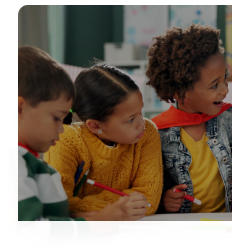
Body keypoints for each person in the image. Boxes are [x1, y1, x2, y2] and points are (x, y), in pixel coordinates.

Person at [145, 23, 232, 213]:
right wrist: (163, 201)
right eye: (214, 85)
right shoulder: (157, 133)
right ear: (180, 92)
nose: (225, 89)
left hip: (229, 223)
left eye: (225, 78)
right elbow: (149, 189)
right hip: (183, 228)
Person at [18, 45, 144, 221]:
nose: (61, 128)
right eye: (56, 118)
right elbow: (30, 234)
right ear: (19, 108)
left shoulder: (35, 165)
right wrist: (98, 221)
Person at [43, 64, 163, 218]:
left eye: (140, 111)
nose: (141, 123)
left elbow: (148, 200)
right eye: (130, 119)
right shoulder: (65, 140)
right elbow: (60, 206)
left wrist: (84, 207)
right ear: (95, 125)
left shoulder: (147, 133)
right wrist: (118, 208)